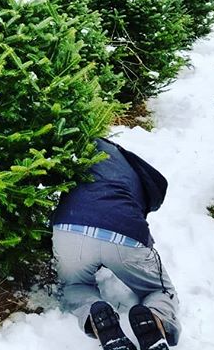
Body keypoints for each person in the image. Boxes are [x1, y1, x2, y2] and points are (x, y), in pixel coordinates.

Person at [52, 138, 180, 350]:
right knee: (161, 290)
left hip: (69, 227)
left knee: (75, 285)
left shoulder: (78, 141)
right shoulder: (134, 175)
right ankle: (155, 316)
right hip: (124, 234)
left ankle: (95, 312)